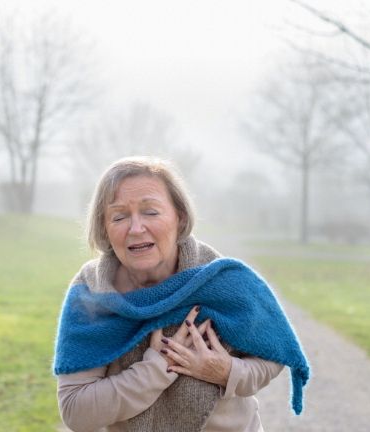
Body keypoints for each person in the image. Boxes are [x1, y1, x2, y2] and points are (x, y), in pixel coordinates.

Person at [53, 156, 308, 432]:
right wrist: (156, 368)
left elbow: (271, 357)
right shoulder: (92, 293)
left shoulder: (220, 280)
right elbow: (76, 411)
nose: (136, 228)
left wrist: (227, 371)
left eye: (151, 212)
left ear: (180, 216)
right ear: (104, 228)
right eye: (119, 216)